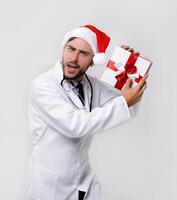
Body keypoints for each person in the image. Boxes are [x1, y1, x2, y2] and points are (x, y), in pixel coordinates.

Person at [23, 25, 147, 200]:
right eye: (71, 49)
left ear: (92, 60)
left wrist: (128, 77)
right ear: (63, 49)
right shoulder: (43, 86)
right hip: (49, 186)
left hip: (83, 181)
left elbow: (128, 108)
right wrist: (124, 102)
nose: (73, 58)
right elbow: (76, 125)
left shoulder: (93, 85)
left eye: (83, 53)